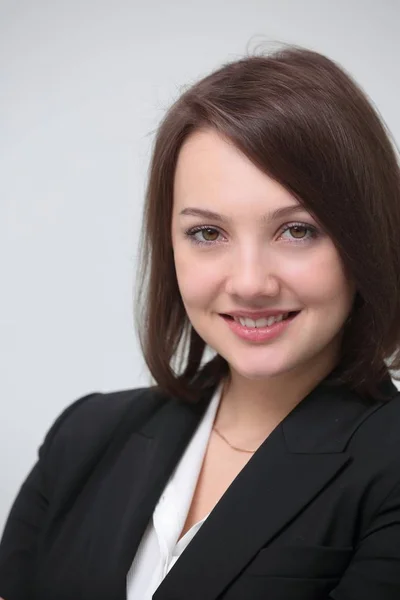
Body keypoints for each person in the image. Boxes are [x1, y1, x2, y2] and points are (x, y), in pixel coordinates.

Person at [1, 44, 400, 600]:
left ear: (364, 239)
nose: (249, 282)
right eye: (208, 234)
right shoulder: (84, 437)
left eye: (297, 229)